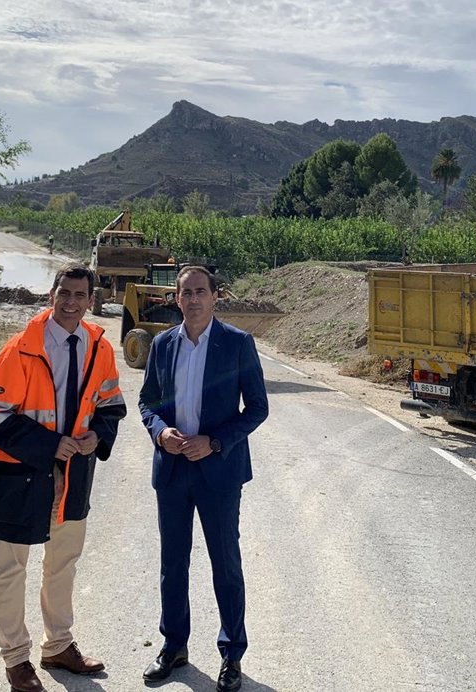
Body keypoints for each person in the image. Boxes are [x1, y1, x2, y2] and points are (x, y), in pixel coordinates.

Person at [0, 264, 127, 692]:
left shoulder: (100, 347)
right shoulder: (21, 347)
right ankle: (15, 658)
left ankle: (58, 645)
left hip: (74, 475)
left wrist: (98, 434)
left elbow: (111, 403)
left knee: (63, 563)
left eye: (80, 295)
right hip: (20, 475)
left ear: (91, 301)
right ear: (52, 295)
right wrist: (49, 445)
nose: (71, 302)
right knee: (11, 568)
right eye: (65, 293)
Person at [138, 266, 269, 692]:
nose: (193, 299)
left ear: (215, 296)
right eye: (186, 293)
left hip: (219, 473)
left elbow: (257, 408)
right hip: (173, 470)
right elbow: (147, 402)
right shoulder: (162, 344)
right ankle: (174, 646)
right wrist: (161, 433)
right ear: (176, 299)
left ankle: (232, 654)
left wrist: (214, 442)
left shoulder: (237, 343)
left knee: (225, 563)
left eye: (200, 291)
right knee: (172, 562)